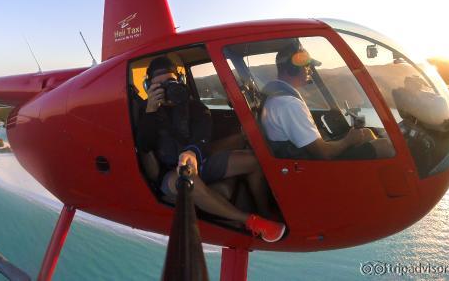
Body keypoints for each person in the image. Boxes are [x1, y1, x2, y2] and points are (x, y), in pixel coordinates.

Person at [136, 56, 285, 242]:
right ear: (148, 87)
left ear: (180, 81)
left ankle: (264, 211)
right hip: (172, 173)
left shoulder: (194, 106)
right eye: (159, 86)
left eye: (170, 82)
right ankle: (251, 221)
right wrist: (151, 110)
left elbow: (202, 135)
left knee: (253, 161)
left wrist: (192, 152)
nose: (167, 90)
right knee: (189, 181)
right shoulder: (145, 111)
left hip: (199, 160)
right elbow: (143, 145)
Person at [261, 43, 395, 160]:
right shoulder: (289, 104)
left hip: (304, 155)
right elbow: (324, 154)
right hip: (311, 168)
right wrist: (348, 141)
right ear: (292, 68)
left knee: (365, 133)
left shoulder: (276, 96)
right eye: (306, 66)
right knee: (384, 146)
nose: (310, 71)